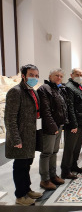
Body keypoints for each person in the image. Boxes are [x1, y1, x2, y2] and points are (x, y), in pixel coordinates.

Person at [5, 64, 43, 206]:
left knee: (27, 164)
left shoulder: (33, 91)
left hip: (31, 135)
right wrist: (16, 138)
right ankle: (20, 196)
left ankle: (27, 189)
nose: (34, 78)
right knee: (20, 166)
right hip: (21, 136)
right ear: (23, 76)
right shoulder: (16, 92)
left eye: (36, 75)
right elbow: (10, 118)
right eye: (31, 75)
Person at [37, 68, 69, 190]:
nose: (59, 78)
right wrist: (52, 126)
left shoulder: (58, 89)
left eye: (61, 76)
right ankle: (44, 180)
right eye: (57, 75)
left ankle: (53, 175)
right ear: (50, 76)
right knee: (46, 153)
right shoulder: (44, 89)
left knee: (54, 152)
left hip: (58, 125)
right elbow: (45, 110)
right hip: (50, 127)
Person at [61, 68, 82, 179]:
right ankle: (65, 170)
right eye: (77, 74)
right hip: (74, 124)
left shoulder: (79, 86)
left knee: (77, 147)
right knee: (69, 147)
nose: (79, 76)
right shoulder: (69, 87)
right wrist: (73, 124)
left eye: (81, 74)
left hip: (81, 122)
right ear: (71, 75)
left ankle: (73, 165)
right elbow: (70, 107)